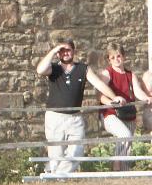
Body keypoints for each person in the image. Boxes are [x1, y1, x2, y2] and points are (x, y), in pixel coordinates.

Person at [36, 39, 124, 173]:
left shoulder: (83, 69)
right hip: (55, 117)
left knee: (76, 152)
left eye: (68, 50)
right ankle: (54, 180)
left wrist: (114, 97)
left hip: (75, 118)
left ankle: (58, 176)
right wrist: (54, 50)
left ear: (74, 51)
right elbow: (40, 69)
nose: (65, 53)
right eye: (62, 51)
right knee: (56, 155)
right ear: (59, 53)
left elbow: (99, 84)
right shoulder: (53, 68)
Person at [97, 43, 151, 171]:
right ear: (109, 59)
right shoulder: (107, 74)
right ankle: (116, 166)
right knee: (124, 134)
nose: (116, 59)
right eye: (113, 57)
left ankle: (124, 175)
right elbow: (100, 96)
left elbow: (138, 92)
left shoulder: (130, 74)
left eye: (119, 56)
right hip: (110, 114)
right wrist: (112, 102)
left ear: (124, 57)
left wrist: (146, 98)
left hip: (127, 114)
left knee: (127, 145)